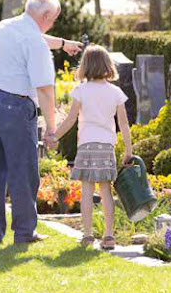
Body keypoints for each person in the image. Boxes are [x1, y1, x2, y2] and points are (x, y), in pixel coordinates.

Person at [0, 0, 82, 244]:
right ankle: (24, 233)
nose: (54, 22)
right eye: (54, 18)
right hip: (14, 106)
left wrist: (63, 43)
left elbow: (33, 36)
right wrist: (52, 129)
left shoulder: (3, 27)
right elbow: (45, 89)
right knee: (23, 171)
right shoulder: (35, 43)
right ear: (47, 15)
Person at [52, 45, 133, 249]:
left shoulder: (81, 90)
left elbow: (71, 120)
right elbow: (123, 124)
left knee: (87, 191)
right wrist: (129, 150)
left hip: (87, 145)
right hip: (106, 146)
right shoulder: (116, 92)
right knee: (106, 191)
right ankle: (108, 236)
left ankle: (87, 235)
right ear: (108, 65)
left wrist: (54, 136)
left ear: (85, 66)